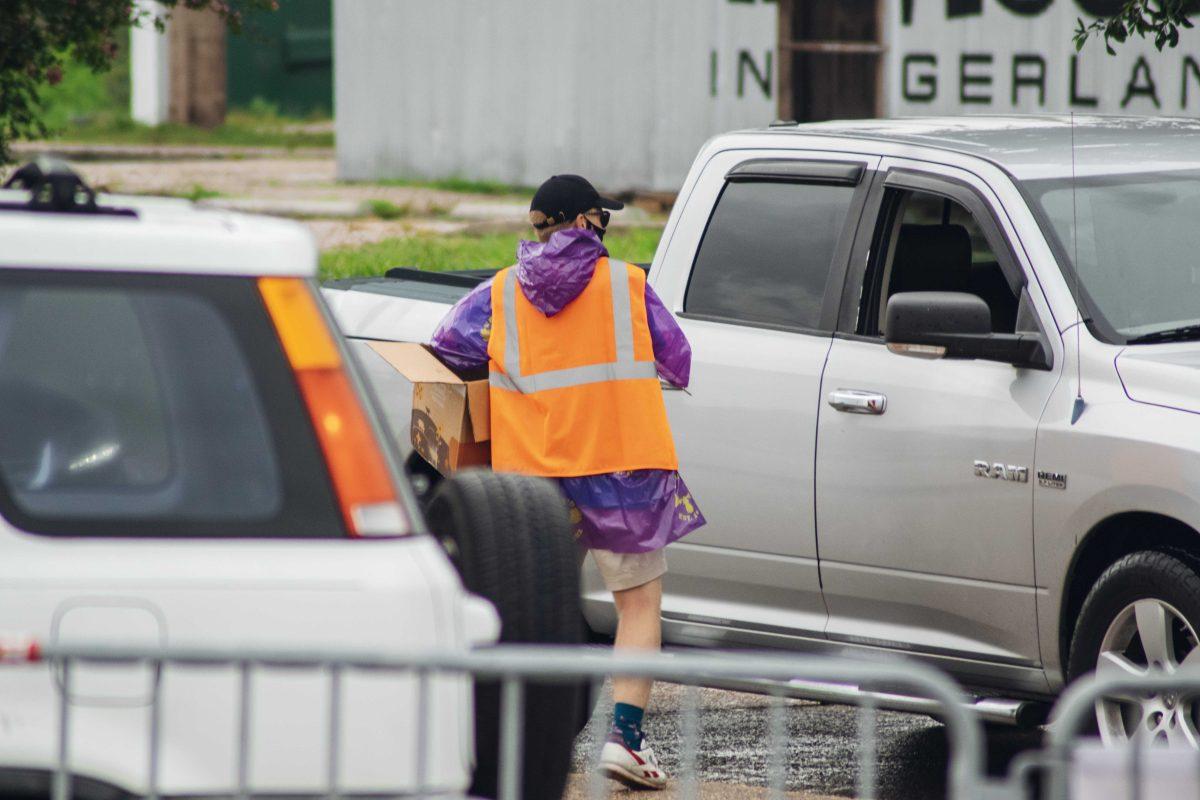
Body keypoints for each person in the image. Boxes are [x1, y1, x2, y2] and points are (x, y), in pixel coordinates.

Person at [430, 174, 704, 790]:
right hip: (622, 470)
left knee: (529, 610)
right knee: (637, 607)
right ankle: (624, 740)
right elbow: (678, 361)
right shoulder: (627, 285)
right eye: (600, 218)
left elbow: (448, 347)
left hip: (533, 480)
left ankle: (505, 737)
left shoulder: (498, 294)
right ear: (585, 223)